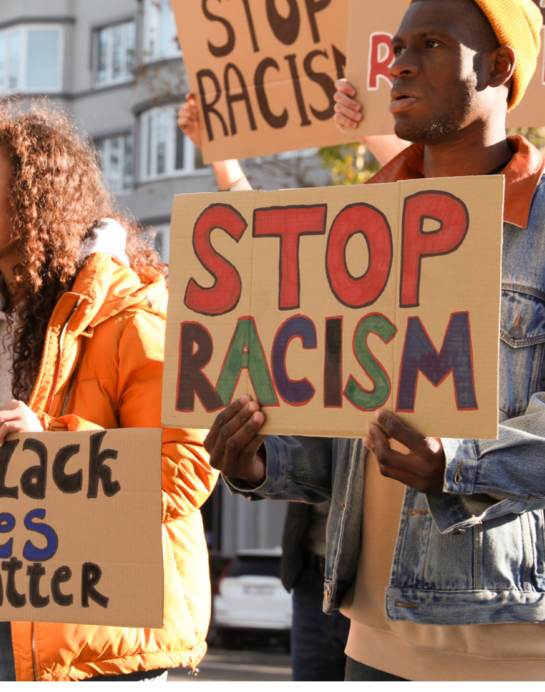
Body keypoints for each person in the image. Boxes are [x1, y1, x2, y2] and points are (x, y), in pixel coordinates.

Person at [204, 0, 545, 682]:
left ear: (499, 67)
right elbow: (343, 419)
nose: (398, 62)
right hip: (376, 635)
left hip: (526, 638)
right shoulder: (357, 227)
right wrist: (263, 462)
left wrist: (460, 465)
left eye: (429, 43)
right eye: (395, 46)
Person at [0, 100, 216, 681]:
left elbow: (186, 465)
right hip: (16, 610)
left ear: (33, 199)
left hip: (107, 638)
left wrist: (52, 452)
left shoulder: (127, 312)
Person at [174, 93, 406, 683]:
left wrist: (375, 130)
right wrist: (224, 161)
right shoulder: (317, 317)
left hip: (398, 580)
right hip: (318, 574)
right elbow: (259, 243)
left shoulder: (414, 327)